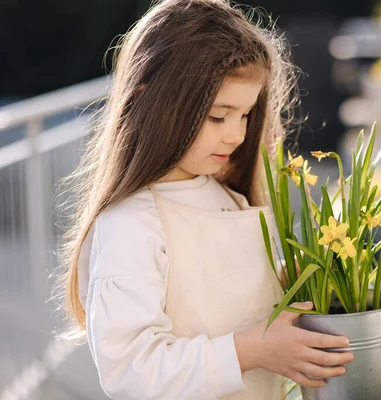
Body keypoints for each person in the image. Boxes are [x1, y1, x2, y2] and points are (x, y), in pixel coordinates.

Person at [56, 1, 353, 398]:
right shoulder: (130, 224)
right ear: (150, 101)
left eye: (246, 115)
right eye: (219, 116)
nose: (236, 135)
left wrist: (288, 277)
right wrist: (255, 350)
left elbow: (216, 293)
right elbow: (130, 370)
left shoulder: (222, 194)